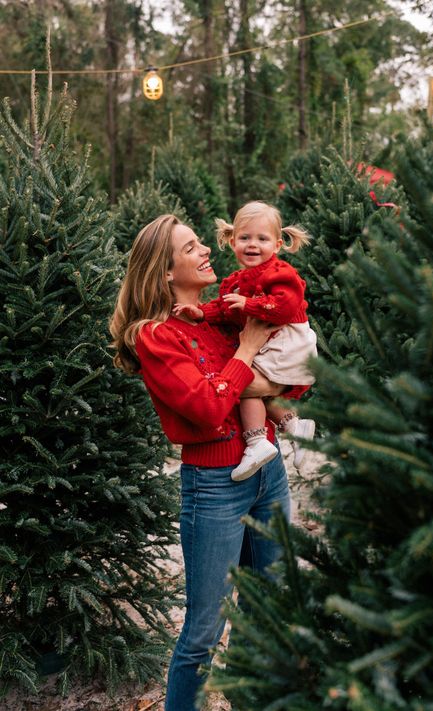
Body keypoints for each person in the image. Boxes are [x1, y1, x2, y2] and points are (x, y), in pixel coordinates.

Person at [109, 214, 292, 711]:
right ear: (166, 272)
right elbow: (209, 408)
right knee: (204, 634)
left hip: (267, 474)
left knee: (267, 606)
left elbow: (282, 376)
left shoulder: (219, 315)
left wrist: (264, 378)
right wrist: (248, 351)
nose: (209, 250)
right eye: (192, 248)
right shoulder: (156, 337)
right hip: (215, 487)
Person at [174, 201, 317, 482]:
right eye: (245, 238)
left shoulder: (280, 273)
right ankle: (293, 426)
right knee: (250, 383)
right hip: (273, 340)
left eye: (262, 239)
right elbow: (227, 307)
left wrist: (249, 304)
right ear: (232, 241)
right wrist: (201, 312)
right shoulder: (238, 280)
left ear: (277, 245)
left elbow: (286, 306)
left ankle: (256, 442)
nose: (253, 244)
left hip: (289, 341)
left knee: (244, 384)